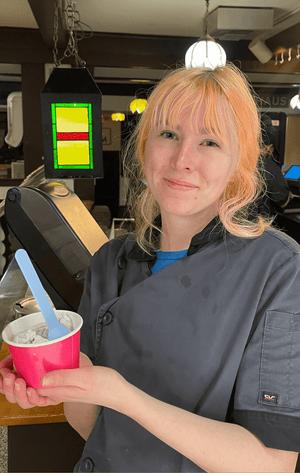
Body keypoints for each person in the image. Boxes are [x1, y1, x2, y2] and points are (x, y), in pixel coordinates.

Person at [1, 64, 300, 473]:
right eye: (169, 134)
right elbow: (91, 425)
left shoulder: (279, 269)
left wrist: (124, 396)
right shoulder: (111, 261)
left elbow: (270, 464)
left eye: (210, 141)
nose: (182, 159)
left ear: (238, 164)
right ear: (144, 149)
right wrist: (62, 383)